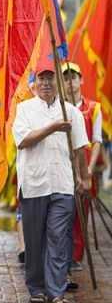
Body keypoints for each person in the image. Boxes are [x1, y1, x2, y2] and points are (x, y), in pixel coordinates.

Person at [13, 61, 90, 303]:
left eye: (51, 78)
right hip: (34, 184)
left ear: (58, 82)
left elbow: (79, 149)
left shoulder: (72, 113)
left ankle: (56, 292)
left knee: (59, 237)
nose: (46, 83)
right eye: (42, 79)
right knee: (35, 240)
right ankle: (36, 287)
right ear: (34, 84)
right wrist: (52, 128)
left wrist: (83, 177)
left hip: (63, 184)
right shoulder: (24, 109)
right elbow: (23, 141)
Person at [63, 62, 102, 274]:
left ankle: (76, 255)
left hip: (85, 163)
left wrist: (87, 170)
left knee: (81, 213)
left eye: (74, 77)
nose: (70, 83)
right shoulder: (59, 108)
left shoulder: (93, 108)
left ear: (81, 80)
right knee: (62, 212)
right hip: (63, 166)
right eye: (66, 78)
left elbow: (97, 141)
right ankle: (61, 255)